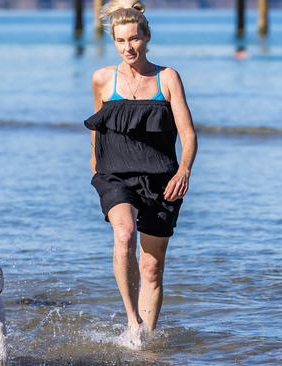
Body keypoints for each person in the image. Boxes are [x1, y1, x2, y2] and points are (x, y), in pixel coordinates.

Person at [84, 0, 197, 347]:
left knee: (151, 268)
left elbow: (188, 134)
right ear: (113, 43)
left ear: (146, 37)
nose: (128, 48)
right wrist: (95, 166)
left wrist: (184, 171)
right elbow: (97, 128)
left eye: (134, 39)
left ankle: (145, 340)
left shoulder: (168, 78)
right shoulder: (103, 79)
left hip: (162, 180)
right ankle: (132, 322)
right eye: (120, 41)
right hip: (116, 177)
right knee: (124, 234)